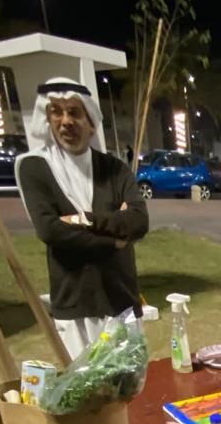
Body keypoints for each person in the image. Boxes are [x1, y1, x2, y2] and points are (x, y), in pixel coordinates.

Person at [15, 78, 149, 360]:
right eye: (56, 112)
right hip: (75, 302)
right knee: (84, 386)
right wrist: (113, 239)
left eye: (74, 112)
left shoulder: (115, 169)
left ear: (91, 122)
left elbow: (138, 221)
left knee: (130, 382)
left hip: (121, 298)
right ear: (47, 118)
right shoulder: (34, 167)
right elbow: (51, 230)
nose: (66, 122)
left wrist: (82, 220)